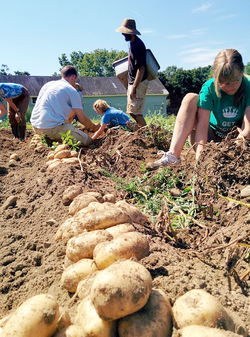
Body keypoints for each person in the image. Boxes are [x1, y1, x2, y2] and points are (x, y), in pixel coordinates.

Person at [153, 49, 250, 167]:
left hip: (238, 140)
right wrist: (201, 159)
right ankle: (172, 157)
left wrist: (237, 146)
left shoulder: (248, 85)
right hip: (210, 140)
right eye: (223, 82)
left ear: (242, 70)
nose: (229, 87)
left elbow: (247, 128)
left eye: (234, 80)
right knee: (190, 98)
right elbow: (203, 126)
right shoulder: (209, 87)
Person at [31, 66, 99, 146]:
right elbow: (82, 119)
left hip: (35, 126)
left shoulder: (48, 85)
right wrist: (95, 128)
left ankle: (53, 138)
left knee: (69, 114)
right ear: (73, 77)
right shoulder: (72, 91)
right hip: (51, 127)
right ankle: (55, 137)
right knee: (87, 141)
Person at [116, 18, 148, 128]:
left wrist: (134, 87)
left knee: (136, 112)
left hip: (138, 83)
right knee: (132, 111)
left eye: (124, 32)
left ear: (130, 33)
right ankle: (142, 132)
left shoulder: (137, 45)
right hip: (134, 83)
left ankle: (147, 135)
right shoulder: (133, 44)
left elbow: (141, 69)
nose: (122, 35)